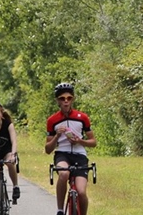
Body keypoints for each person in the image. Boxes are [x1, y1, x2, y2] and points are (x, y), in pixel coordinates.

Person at [45, 83, 97, 215]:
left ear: (73, 99)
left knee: (81, 192)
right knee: (64, 173)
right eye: (62, 98)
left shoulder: (82, 117)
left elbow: (93, 142)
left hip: (80, 154)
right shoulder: (52, 120)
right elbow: (48, 149)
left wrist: (80, 141)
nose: (66, 101)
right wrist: (57, 136)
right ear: (57, 101)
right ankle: (60, 210)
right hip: (62, 153)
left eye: (69, 98)